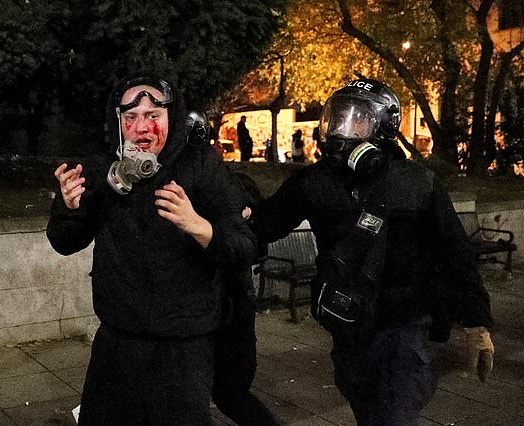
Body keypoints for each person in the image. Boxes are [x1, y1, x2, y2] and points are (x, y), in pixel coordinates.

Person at [247, 78, 495, 425]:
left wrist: (476, 324)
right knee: (369, 413)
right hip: (350, 328)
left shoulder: (417, 183)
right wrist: (228, 213)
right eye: (338, 117)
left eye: (357, 118)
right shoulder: (316, 182)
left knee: (394, 417)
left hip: (408, 328)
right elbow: (265, 222)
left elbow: (454, 252)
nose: (342, 129)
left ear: (383, 128)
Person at [47, 75, 256, 425]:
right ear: (118, 123)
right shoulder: (102, 169)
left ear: (170, 120)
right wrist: (69, 208)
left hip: (183, 347)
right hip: (118, 343)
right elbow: (65, 243)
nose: (142, 127)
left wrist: (198, 226)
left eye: (153, 116)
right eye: (131, 118)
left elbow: (243, 247)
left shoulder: (201, 165)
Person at [211, 171, 280, 426]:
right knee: (230, 393)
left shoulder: (237, 228)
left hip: (230, 314)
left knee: (231, 394)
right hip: (235, 311)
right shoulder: (241, 225)